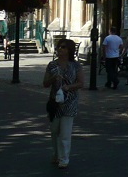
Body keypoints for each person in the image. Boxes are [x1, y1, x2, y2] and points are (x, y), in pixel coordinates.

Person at [43, 38, 85, 169]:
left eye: (63, 47)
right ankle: (56, 154)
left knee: (65, 133)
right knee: (54, 130)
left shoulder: (76, 65)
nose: (60, 49)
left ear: (69, 50)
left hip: (70, 102)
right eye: (59, 47)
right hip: (55, 102)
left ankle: (64, 159)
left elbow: (81, 83)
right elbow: (45, 84)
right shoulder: (52, 65)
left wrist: (69, 87)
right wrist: (53, 78)